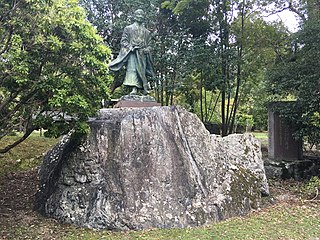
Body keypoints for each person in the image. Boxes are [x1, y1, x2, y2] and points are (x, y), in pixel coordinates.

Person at [109, 9, 155, 95]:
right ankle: (134, 89)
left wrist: (146, 50)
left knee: (142, 71)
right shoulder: (128, 29)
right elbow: (124, 41)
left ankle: (144, 89)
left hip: (142, 54)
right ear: (135, 16)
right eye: (138, 15)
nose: (140, 17)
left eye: (142, 15)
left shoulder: (147, 32)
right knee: (133, 70)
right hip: (132, 53)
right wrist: (131, 47)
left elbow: (150, 46)